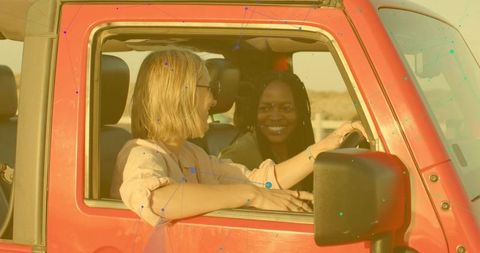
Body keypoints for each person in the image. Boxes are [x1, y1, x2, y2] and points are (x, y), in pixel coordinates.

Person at [114, 48, 365, 227]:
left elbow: (259, 182)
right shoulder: (139, 153)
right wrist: (250, 195)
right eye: (208, 89)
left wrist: (324, 147)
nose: (213, 101)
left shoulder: (191, 154)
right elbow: (157, 199)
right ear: (179, 95)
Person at [219, 72, 315, 191]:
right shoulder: (238, 156)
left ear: (299, 112)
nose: (275, 117)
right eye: (265, 108)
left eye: (286, 108)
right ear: (255, 112)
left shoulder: (299, 146)